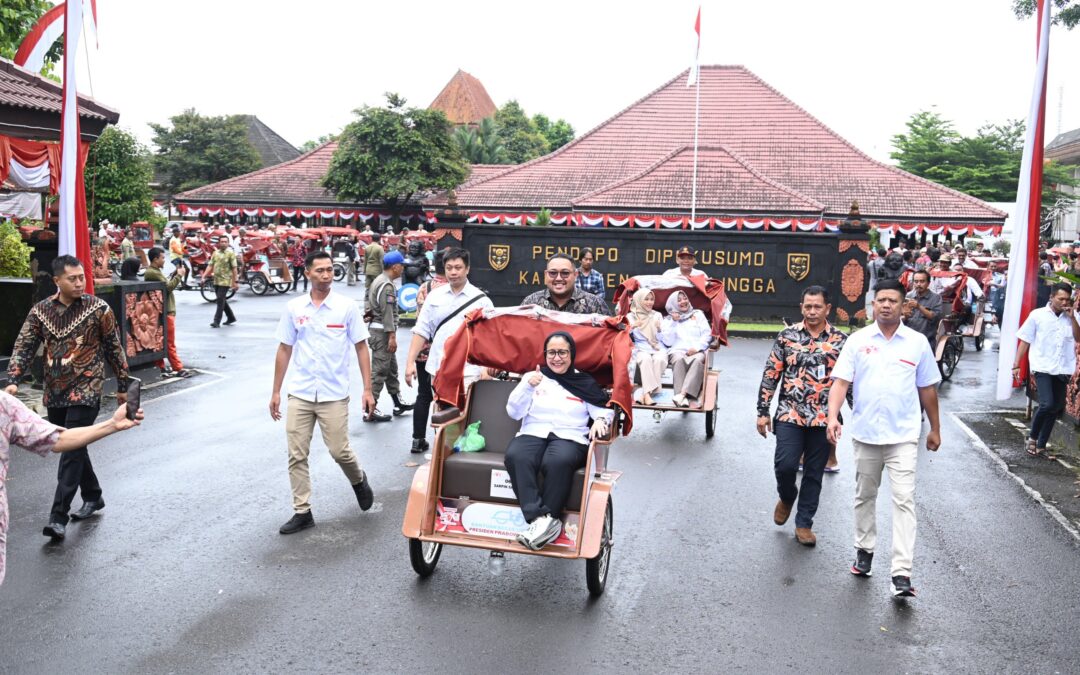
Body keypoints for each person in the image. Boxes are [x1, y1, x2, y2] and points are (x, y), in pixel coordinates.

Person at [827, 279, 941, 599]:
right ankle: (864, 551)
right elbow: (840, 382)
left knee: (904, 499)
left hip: (903, 435)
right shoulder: (858, 341)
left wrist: (935, 428)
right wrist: (832, 416)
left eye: (892, 300)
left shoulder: (917, 343)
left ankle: (901, 572)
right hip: (865, 434)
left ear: (903, 306)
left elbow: (927, 388)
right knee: (865, 495)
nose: (886, 305)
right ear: (872, 305)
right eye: (880, 300)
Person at [6, 255, 132, 540]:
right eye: (72, 278)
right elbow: (24, 345)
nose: (79, 282)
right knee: (74, 444)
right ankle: (93, 495)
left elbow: (114, 347)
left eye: (81, 277)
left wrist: (123, 384)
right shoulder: (40, 311)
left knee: (70, 451)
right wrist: (13, 380)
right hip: (55, 390)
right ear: (57, 281)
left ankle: (58, 516)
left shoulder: (98, 308)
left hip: (87, 388)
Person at [269, 251, 378, 535]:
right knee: (296, 454)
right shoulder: (294, 308)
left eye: (330, 270)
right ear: (307, 273)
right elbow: (284, 348)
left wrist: (368, 389)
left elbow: (361, 347)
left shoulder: (345, 307)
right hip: (301, 392)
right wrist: (276, 391)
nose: (326, 275)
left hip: (333, 393)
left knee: (339, 451)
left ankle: (358, 480)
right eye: (320, 270)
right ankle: (302, 511)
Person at [0, 390, 143, 585]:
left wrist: (112, 424)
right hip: (57, 395)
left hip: (83, 396)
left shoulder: (4, 405)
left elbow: (58, 439)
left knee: (74, 458)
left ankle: (66, 511)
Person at [756, 286, 848, 546]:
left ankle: (804, 523)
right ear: (801, 307)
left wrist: (858, 413)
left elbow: (849, 380)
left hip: (824, 417)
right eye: (808, 306)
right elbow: (771, 373)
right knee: (785, 465)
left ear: (827, 309)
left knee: (814, 472)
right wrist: (763, 411)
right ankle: (787, 496)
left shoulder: (841, 340)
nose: (812, 311)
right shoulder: (787, 336)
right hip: (790, 413)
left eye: (817, 306)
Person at [504, 332, 613, 550]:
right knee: (516, 456)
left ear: (571, 354)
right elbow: (513, 412)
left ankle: (545, 520)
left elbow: (603, 410)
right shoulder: (533, 377)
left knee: (557, 461)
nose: (556, 358)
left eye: (562, 352)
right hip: (534, 431)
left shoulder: (583, 381)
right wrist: (527, 387)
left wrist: (600, 420)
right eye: (551, 353)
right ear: (545, 354)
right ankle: (542, 521)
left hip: (570, 435)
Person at [405, 248, 494, 448]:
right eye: (449, 268)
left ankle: (463, 461)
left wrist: (486, 369)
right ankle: (443, 459)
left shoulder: (481, 300)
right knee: (443, 417)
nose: (453, 272)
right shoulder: (434, 297)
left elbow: (489, 338)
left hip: (469, 370)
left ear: (467, 269)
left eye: (458, 268)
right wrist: (410, 362)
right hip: (439, 369)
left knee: (466, 416)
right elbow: (421, 330)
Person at [1014, 282, 1080, 459]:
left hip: (1062, 367)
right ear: (1051, 298)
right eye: (1061, 299)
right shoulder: (1037, 315)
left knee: (1056, 407)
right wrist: (1016, 364)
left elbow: (1078, 337)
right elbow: (1025, 340)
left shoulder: (1072, 316)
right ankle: (1032, 438)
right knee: (1047, 404)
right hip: (1042, 366)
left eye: (1068, 299)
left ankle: (1042, 445)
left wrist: (1073, 317)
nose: (1064, 302)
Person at [407, 249, 448, 454]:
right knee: (446, 397)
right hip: (446, 353)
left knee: (423, 395)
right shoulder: (455, 289)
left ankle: (417, 439)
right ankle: (442, 440)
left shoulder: (425, 287)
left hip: (424, 350)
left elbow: (420, 321)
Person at [366, 250, 413, 421]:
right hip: (383, 333)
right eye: (402, 265)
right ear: (395, 267)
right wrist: (392, 336)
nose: (403, 269)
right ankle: (369, 408)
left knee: (391, 370)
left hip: (379, 330)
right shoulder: (387, 286)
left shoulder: (379, 280)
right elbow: (387, 314)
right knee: (379, 371)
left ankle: (397, 402)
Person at [658, 290, 712, 408]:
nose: (683, 302)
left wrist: (697, 348)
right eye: (679, 300)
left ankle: (681, 395)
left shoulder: (698, 314)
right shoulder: (668, 320)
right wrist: (673, 322)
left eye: (685, 298)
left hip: (697, 350)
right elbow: (667, 342)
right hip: (677, 351)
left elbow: (707, 334)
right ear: (673, 304)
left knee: (698, 361)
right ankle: (682, 397)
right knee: (679, 361)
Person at [145, 247, 192, 378]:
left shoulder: (155, 272)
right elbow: (168, 288)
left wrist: (174, 275)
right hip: (165, 311)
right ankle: (178, 367)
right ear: (155, 259)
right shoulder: (152, 272)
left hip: (165, 310)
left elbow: (165, 284)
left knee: (161, 341)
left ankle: (160, 365)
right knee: (169, 342)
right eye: (162, 257)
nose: (164, 260)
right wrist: (179, 275)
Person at [522, 253, 609, 314]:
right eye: (553, 273)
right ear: (546, 275)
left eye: (565, 273)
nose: (559, 278)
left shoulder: (595, 305)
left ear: (575, 275)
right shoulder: (531, 303)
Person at [626, 288, 666, 406]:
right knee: (645, 359)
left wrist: (659, 329)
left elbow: (664, 338)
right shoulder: (631, 316)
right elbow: (623, 335)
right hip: (640, 347)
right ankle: (648, 394)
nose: (650, 302)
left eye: (652, 299)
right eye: (646, 299)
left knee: (660, 359)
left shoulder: (657, 315)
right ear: (639, 300)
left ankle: (644, 393)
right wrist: (632, 327)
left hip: (657, 346)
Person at [203, 236, 238, 328]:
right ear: (219, 243)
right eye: (222, 241)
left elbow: (234, 269)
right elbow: (210, 265)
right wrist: (204, 276)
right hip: (216, 280)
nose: (223, 243)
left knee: (219, 300)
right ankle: (231, 317)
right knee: (222, 300)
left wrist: (235, 282)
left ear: (228, 243)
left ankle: (216, 321)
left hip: (225, 281)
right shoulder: (215, 253)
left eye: (225, 242)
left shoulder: (231, 254)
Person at [902, 269, 943, 345]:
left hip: (926, 339)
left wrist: (919, 307)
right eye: (916, 281)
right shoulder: (908, 296)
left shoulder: (936, 298)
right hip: (908, 337)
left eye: (922, 281)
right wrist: (905, 315)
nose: (918, 284)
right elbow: (900, 318)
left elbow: (935, 317)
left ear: (928, 283)